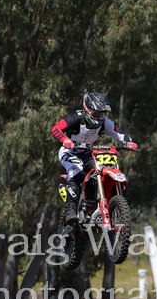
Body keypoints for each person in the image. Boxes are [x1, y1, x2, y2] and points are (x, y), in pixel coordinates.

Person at [51, 91, 138, 223]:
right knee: (76, 172)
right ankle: (71, 211)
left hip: (88, 153)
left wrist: (129, 142)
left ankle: (97, 202)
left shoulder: (104, 122)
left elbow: (118, 133)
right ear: (87, 110)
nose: (99, 118)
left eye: (102, 114)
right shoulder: (76, 118)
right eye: (96, 114)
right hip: (69, 152)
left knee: (102, 170)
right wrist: (65, 140)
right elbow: (56, 129)